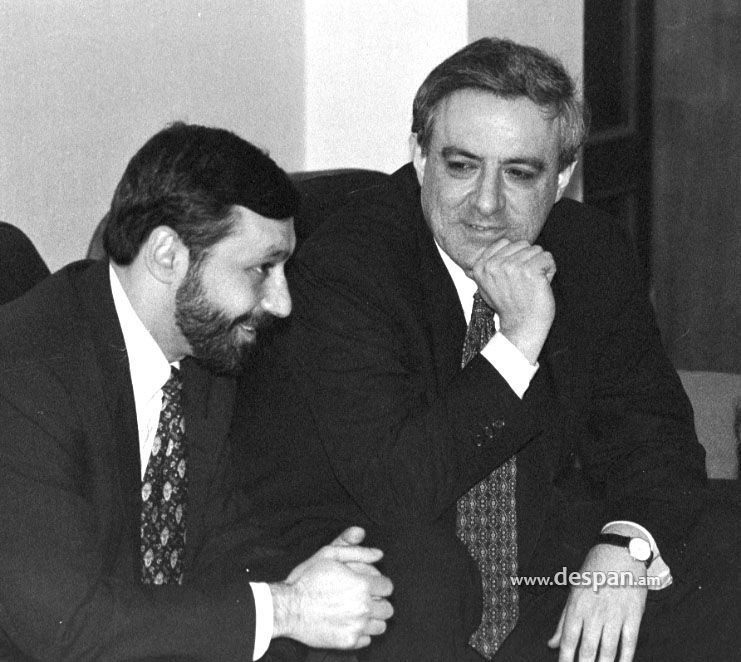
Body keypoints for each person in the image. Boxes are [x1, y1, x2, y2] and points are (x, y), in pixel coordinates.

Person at [231, 39, 739, 661]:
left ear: (562, 177)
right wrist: (518, 341)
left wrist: (625, 546)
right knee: (432, 582)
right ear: (420, 157)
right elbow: (400, 486)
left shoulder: (591, 251)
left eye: (519, 173)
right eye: (462, 167)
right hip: (387, 572)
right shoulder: (348, 267)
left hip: (540, 574)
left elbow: (657, 439)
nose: (488, 203)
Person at [0, 122, 393, 661]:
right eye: (261, 269)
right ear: (168, 255)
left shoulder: (201, 355)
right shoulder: (23, 377)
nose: (281, 302)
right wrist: (287, 608)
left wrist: (303, 585)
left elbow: (225, 540)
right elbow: (66, 628)